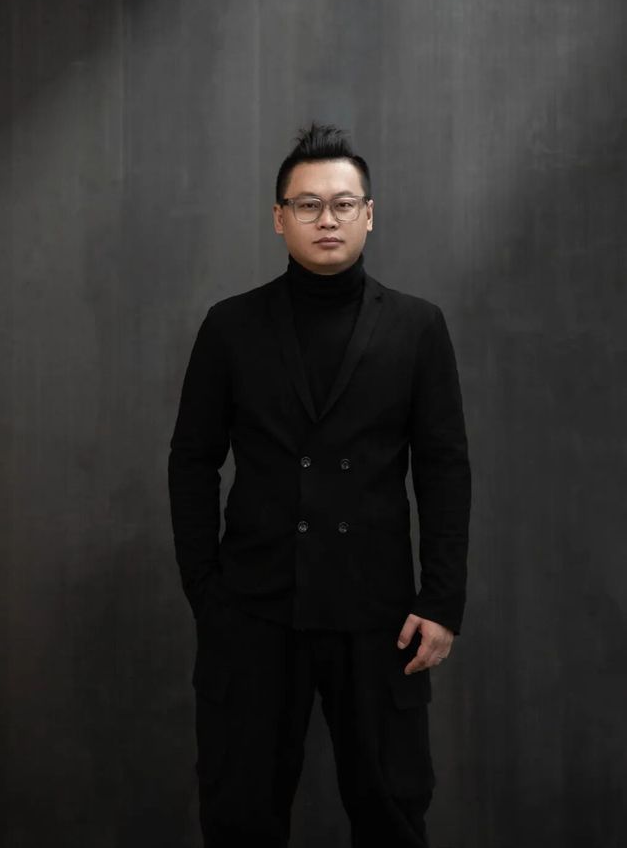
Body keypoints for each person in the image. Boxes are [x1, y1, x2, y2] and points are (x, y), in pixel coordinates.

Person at [168, 123, 471, 848]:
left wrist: (440, 600)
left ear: (369, 214)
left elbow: (443, 468)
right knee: (240, 814)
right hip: (255, 607)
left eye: (342, 204)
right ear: (280, 218)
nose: (326, 219)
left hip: (379, 613)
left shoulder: (417, 327)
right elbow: (192, 460)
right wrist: (206, 591)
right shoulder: (231, 325)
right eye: (307, 205)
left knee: (392, 812)